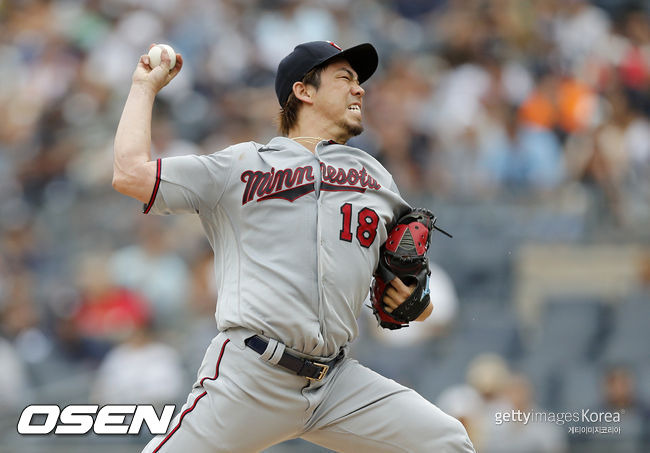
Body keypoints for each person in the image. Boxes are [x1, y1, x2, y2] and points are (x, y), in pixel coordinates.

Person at [113, 40, 474, 453]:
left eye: (359, 81)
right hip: (251, 375)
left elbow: (416, 295)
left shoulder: (377, 179)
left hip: (337, 383)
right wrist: (143, 87)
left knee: (447, 442)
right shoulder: (242, 166)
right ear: (304, 91)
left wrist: (414, 298)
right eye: (345, 78)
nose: (359, 89)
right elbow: (129, 174)